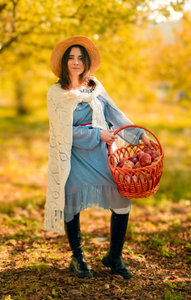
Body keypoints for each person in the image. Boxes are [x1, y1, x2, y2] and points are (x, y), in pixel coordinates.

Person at [44, 36, 155, 280]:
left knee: (122, 201)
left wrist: (139, 135)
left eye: (80, 58)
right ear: (65, 62)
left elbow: (115, 114)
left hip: (102, 153)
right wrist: (96, 134)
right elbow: (61, 131)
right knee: (71, 203)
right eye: (71, 58)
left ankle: (114, 256)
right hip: (73, 156)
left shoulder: (95, 86)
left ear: (87, 62)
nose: (76, 62)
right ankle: (78, 257)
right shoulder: (56, 92)